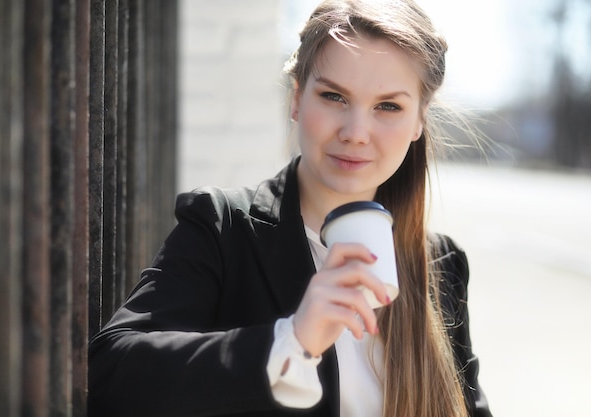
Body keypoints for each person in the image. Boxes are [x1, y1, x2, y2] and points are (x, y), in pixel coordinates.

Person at [88, 0, 492, 416]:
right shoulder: (224, 229)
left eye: (388, 106)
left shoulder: (440, 265)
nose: (355, 133)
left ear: (419, 120)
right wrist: (291, 340)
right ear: (297, 99)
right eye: (334, 96)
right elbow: (110, 373)